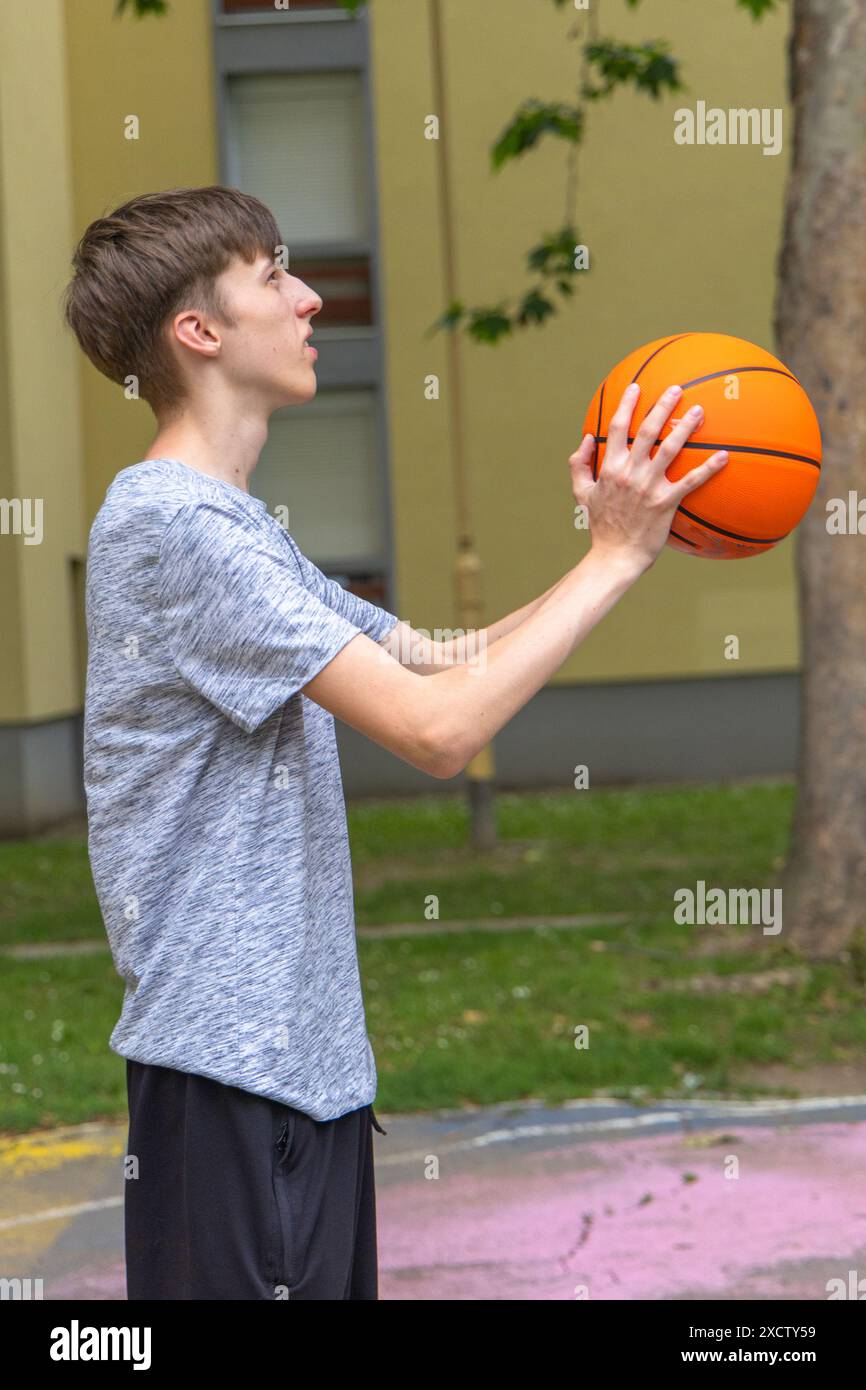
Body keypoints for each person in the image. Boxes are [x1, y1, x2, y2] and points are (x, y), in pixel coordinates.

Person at [62, 184, 727, 1301]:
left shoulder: (234, 527)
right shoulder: (172, 527)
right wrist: (606, 561)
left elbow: (432, 657)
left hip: (301, 1072)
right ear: (199, 331)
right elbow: (437, 731)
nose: (312, 296)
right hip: (227, 1076)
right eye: (274, 275)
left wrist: (623, 544)